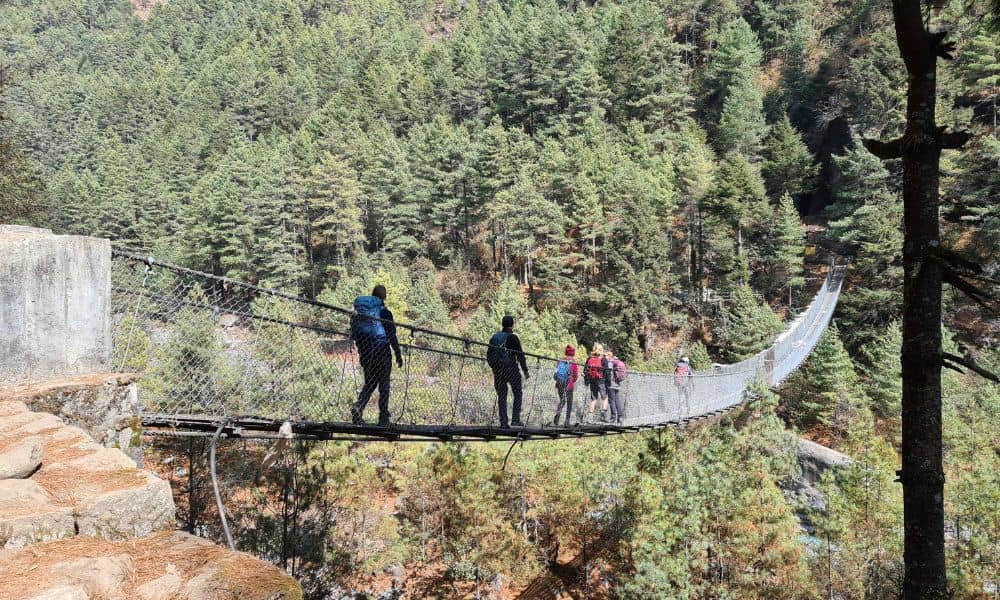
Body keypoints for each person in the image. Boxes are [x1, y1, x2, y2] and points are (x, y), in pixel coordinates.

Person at [350, 285, 403, 426]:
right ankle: (383, 418)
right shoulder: (385, 313)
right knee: (384, 385)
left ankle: (358, 407)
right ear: (383, 297)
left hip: (366, 353)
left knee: (370, 383)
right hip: (382, 351)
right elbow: (392, 335)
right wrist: (398, 354)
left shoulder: (361, 314)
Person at [487, 315, 529, 428]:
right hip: (511, 369)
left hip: (498, 370)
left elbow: (489, 355)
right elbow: (520, 355)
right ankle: (515, 420)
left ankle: (503, 422)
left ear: (502, 324)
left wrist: (494, 367)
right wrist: (525, 370)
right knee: (518, 393)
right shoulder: (512, 337)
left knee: (502, 396)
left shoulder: (494, 337)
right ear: (512, 325)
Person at [552, 345, 580, 427]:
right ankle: (567, 422)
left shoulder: (560, 361)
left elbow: (556, 373)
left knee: (562, 401)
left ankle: (558, 414)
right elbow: (575, 376)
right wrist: (571, 381)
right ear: (573, 353)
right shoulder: (573, 363)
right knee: (569, 403)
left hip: (560, 383)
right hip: (569, 385)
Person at [583, 344, 605, 424]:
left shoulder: (589, 358)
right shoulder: (602, 359)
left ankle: (590, 418)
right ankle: (603, 416)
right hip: (600, 380)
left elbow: (585, 369)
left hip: (592, 379)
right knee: (604, 397)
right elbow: (606, 370)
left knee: (593, 398)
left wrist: (586, 380)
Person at [606, 352, 627, 424]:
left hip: (611, 384)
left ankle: (613, 417)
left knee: (612, 400)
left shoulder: (610, 363)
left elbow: (608, 373)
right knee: (617, 400)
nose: (605, 357)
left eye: (606, 355)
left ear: (609, 356)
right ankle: (620, 417)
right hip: (617, 384)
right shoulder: (617, 361)